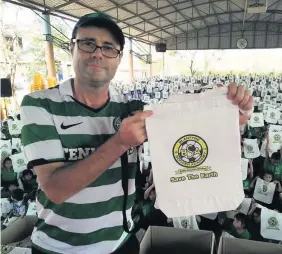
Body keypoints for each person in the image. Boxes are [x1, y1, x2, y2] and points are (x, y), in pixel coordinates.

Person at [20, 12, 254, 254]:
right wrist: (119, 142)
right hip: (58, 248)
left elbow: (191, 134)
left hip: (121, 243)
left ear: (119, 58)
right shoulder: (40, 105)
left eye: (109, 47)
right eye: (88, 43)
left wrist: (231, 112)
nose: (98, 53)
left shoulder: (131, 108)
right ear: (72, 48)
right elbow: (56, 189)